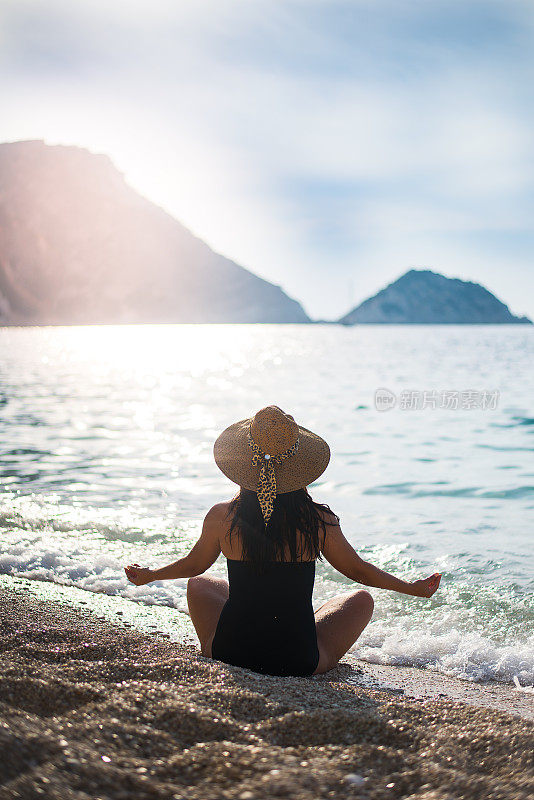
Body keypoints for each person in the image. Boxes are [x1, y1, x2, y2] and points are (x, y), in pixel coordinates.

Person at [125, 406, 441, 677]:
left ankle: (221, 645)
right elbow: (360, 572)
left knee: (200, 582)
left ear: (243, 464)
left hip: (230, 652)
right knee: (361, 599)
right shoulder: (318, 521)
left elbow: (194, 565)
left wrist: (151, 575)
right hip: (298, 660)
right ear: (300, 468)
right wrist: (411, 588)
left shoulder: (223, 516)